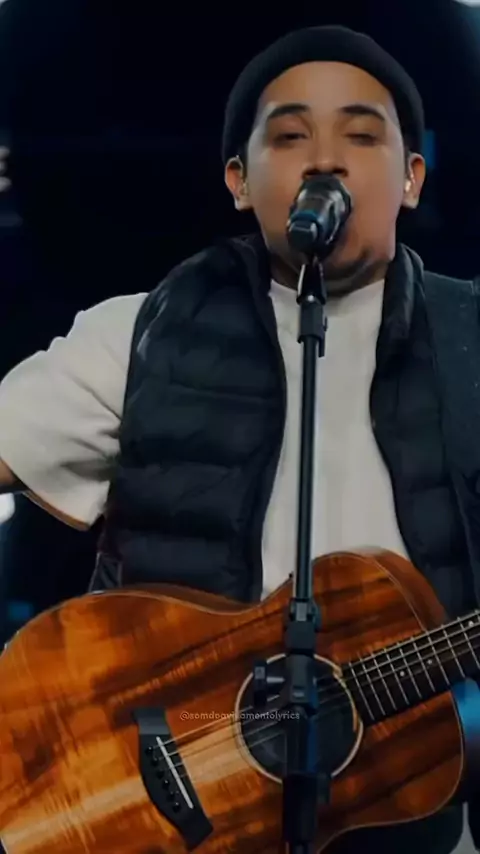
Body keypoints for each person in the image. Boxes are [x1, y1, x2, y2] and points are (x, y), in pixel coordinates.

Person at [0, 24, 478, 854]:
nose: (324, 160)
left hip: (406, 810)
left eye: (361, 136)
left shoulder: (473, 341)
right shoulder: (142, 333)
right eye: (289, 137)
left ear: (411, 178)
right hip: (151, 795)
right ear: (238, 180)